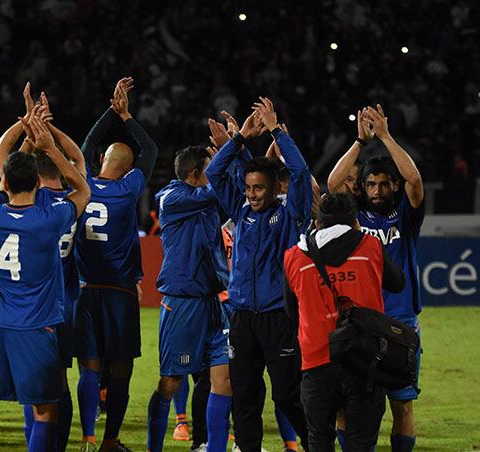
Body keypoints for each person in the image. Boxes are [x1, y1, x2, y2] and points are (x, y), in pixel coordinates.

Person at [0, 114, 90, 452]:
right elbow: (83, 187)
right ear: (37, 183)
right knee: (45, 413)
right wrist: (50, 147)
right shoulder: (50, 218)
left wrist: (25, 125)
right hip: (37, 328)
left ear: (7, 181)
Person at [205, 98, 312, 452]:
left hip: (277, 318)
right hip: (241, 320)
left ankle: (316, 444)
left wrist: (277, 131)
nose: (251, 194)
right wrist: (238, 141)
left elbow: (298, 172)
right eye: (248, 188)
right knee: (245, 399)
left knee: (287, 397)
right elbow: (214, 174)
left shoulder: (289, 214)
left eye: (258, 188)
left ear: (274, 188)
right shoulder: (240, 209)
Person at [0, 85, 86, 452]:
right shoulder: (66, 202)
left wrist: (28, 129)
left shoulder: (22, 201)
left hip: (26, 306)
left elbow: (1, 153)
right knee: (57, 383)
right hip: (64, 300)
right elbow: (78, 162)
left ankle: (38, 442)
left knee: (32, 389)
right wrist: (50, 136)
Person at [327, 105, 425, 452]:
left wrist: (384, 137)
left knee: (402, 405)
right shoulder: (354, 214)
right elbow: (333, 183)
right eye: (371, 184)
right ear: (363, 187)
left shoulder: (406, 217)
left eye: (385, 184)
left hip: (400, 321)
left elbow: (414, 180)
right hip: (361, 321)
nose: (378, 190)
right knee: (347, 404)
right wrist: (359, 141)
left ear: (393, 186)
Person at [283, 192, 406, 451]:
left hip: (317, 360)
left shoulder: (294, 257)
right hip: (365, 361)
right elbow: (398, 283)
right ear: (355, 222)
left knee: (319, 440)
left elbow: (291, 312)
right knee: (361, 442)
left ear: (318, 223)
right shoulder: (370, 246)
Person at [74, 77, 158, 452]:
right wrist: (126, 116)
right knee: (121, 368)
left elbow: (86, 146)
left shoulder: (84, 183)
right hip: (120, 291)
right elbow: (150, 150)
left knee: (90, 367)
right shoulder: (128, 189)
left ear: (102, 162)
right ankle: (110, 441)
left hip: (84, 289)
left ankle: (87, 438)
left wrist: (110, 111)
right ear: (127, 169)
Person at [146, 145, 231, 452]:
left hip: (213, 302)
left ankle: (210, 445)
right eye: (209, 170)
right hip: (182, 303)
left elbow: (229, 194)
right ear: (195, 174)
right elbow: (217, 189)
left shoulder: (205, 201)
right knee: (171, 382)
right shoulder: (172, 197)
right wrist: (234, 145)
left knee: (223, 378)